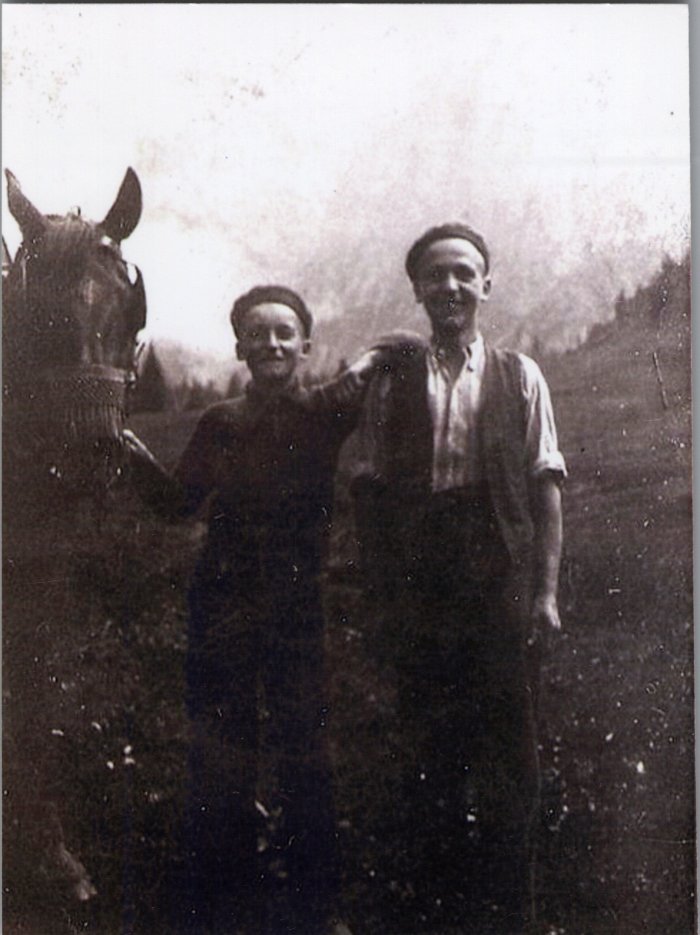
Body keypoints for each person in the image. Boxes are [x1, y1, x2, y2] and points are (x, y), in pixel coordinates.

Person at [124, 285, 384, 935]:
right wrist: (131, 457)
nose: (271, 343)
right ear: (240, 347)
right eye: (257, 333)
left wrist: (387, 350)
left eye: (284, 332)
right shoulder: (220, 422)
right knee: (223, 738)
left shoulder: (326, 413)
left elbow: (386, 371)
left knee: (305, 740)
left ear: (305, 346)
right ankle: (223, 883)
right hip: (223, 599)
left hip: (297, 600)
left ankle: (314, 891)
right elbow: (180, 504)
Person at [351, 223, 566, 933]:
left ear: (485, 285)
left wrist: (544, 593)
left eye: (463, 274)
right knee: (427, 738)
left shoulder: (519, 373)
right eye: (435, 275)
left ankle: (512, 902)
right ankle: (440, 895)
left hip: (496, 568)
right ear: (416, 289)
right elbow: (374, 489)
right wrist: (382, 596)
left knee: (510, 737)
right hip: (421, 573)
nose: (450, 286)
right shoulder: (393, 381)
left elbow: (545, 489)